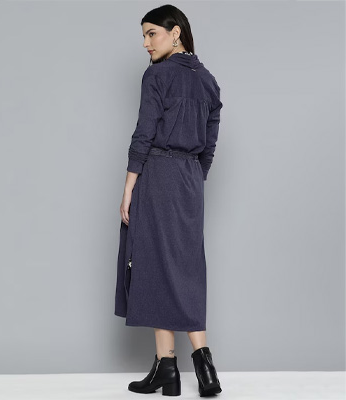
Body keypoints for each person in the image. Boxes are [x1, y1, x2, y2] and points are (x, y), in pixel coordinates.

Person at [114, 4, 223, 397]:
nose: (146, 43)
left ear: (175, 32)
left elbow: (144, 133)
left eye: (152, 33)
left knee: (154, 263)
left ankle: (176, 365)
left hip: (158, 175)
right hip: (190, 181)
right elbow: (210, 142)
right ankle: (181, 368)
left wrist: (129, 186)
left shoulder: (157, 75)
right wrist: (194, 175)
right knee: (184, 267)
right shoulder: (208, 80)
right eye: (144, 36)